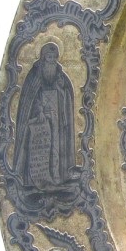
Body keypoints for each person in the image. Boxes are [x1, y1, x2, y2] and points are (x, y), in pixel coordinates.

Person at [13, 43, 76, 188]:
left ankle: (58, 175)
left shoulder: (60, 75)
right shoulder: (35, 75)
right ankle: (36, 178)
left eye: (54, 57)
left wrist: (61, 89)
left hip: (57, 118)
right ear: (43, 57)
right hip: (40, 119)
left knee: (56, 146)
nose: (52, 60)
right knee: (43, 147)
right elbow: (29, 98)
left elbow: (67, 94)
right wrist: (39, 110)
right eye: (49, 57)